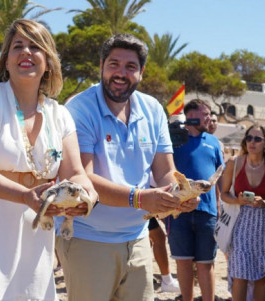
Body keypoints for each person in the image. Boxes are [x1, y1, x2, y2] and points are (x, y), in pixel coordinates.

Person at [0, 19, 96, 300]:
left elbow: (75, 172)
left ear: (48, 62)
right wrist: (25, 195)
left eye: (35, 47)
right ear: (6, 61)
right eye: (17, 46)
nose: (26, 52)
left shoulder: (60, 115)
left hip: (35, 228)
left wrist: (86, 198)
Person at [61, 33, 193, 301]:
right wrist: (141, 198)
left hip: (138, 238)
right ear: (101, 65)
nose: (121, 73)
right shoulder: (79, 108)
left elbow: (164, 171)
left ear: (141, 72)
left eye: (130, 67)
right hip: (88, 239)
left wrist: (181, 193)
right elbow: (82, 177)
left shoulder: (153, 109)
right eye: (114, 64)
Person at [167, 98, 223, 301]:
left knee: (206, 263)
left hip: (207, 212)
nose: (210, 118)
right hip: (177, 211)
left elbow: (219, 177)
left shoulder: (214, 142)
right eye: (205, 114)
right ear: (191, 115)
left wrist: (218, 209)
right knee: (183, 262)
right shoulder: (173, 139)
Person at [220, 125, 265, 300]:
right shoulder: (235, 162)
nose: (252, 142)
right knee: (240, 274)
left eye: (257, 139)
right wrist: (238, 201)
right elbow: (224, 194)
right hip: (240, 222)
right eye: (249, 138)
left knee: (262, 276)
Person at [149, 217, 180, 292]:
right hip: (138, 209)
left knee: (148, 238)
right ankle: (167, 281)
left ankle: (144, 275)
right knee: (158, 237)